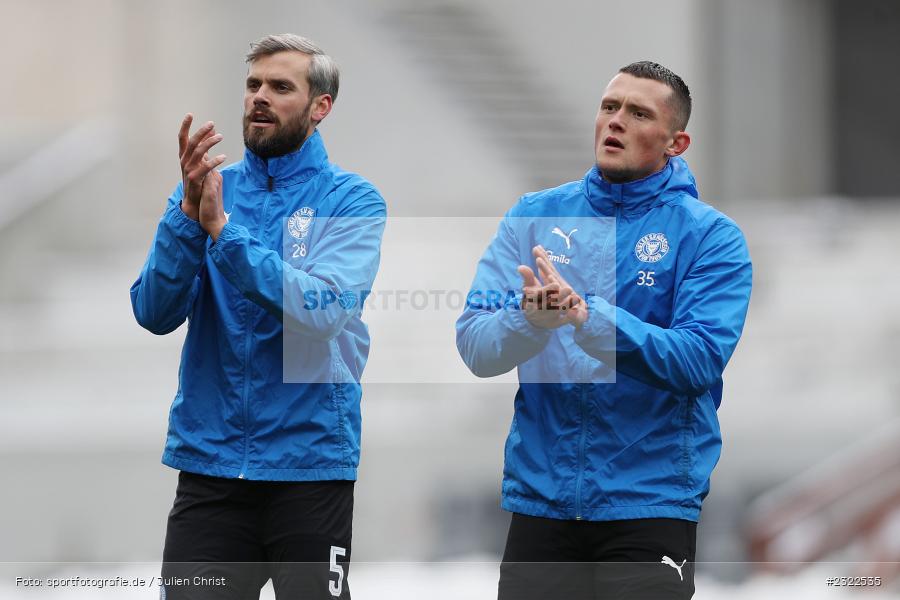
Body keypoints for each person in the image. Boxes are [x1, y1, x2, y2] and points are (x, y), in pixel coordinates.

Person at [456, 61, 752, 599]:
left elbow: (698, 358)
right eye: (609, 106)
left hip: (650, 504)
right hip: (541, 504)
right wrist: (531, 321)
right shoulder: (535, 215)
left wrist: (589, 317)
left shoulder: (711, 237)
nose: (615, 121)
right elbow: (476, 344)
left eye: (638, 113)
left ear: (675, 142)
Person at [130, 34, 386, 599]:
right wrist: (187, 218)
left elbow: (320, 310)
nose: (259, 98)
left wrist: (224, 232)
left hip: (310, 468)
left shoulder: (352, 200)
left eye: (280, 86)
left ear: (321, 106)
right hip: (210, 468)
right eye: (252, 86)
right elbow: (153, 311)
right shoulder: (207, 191)